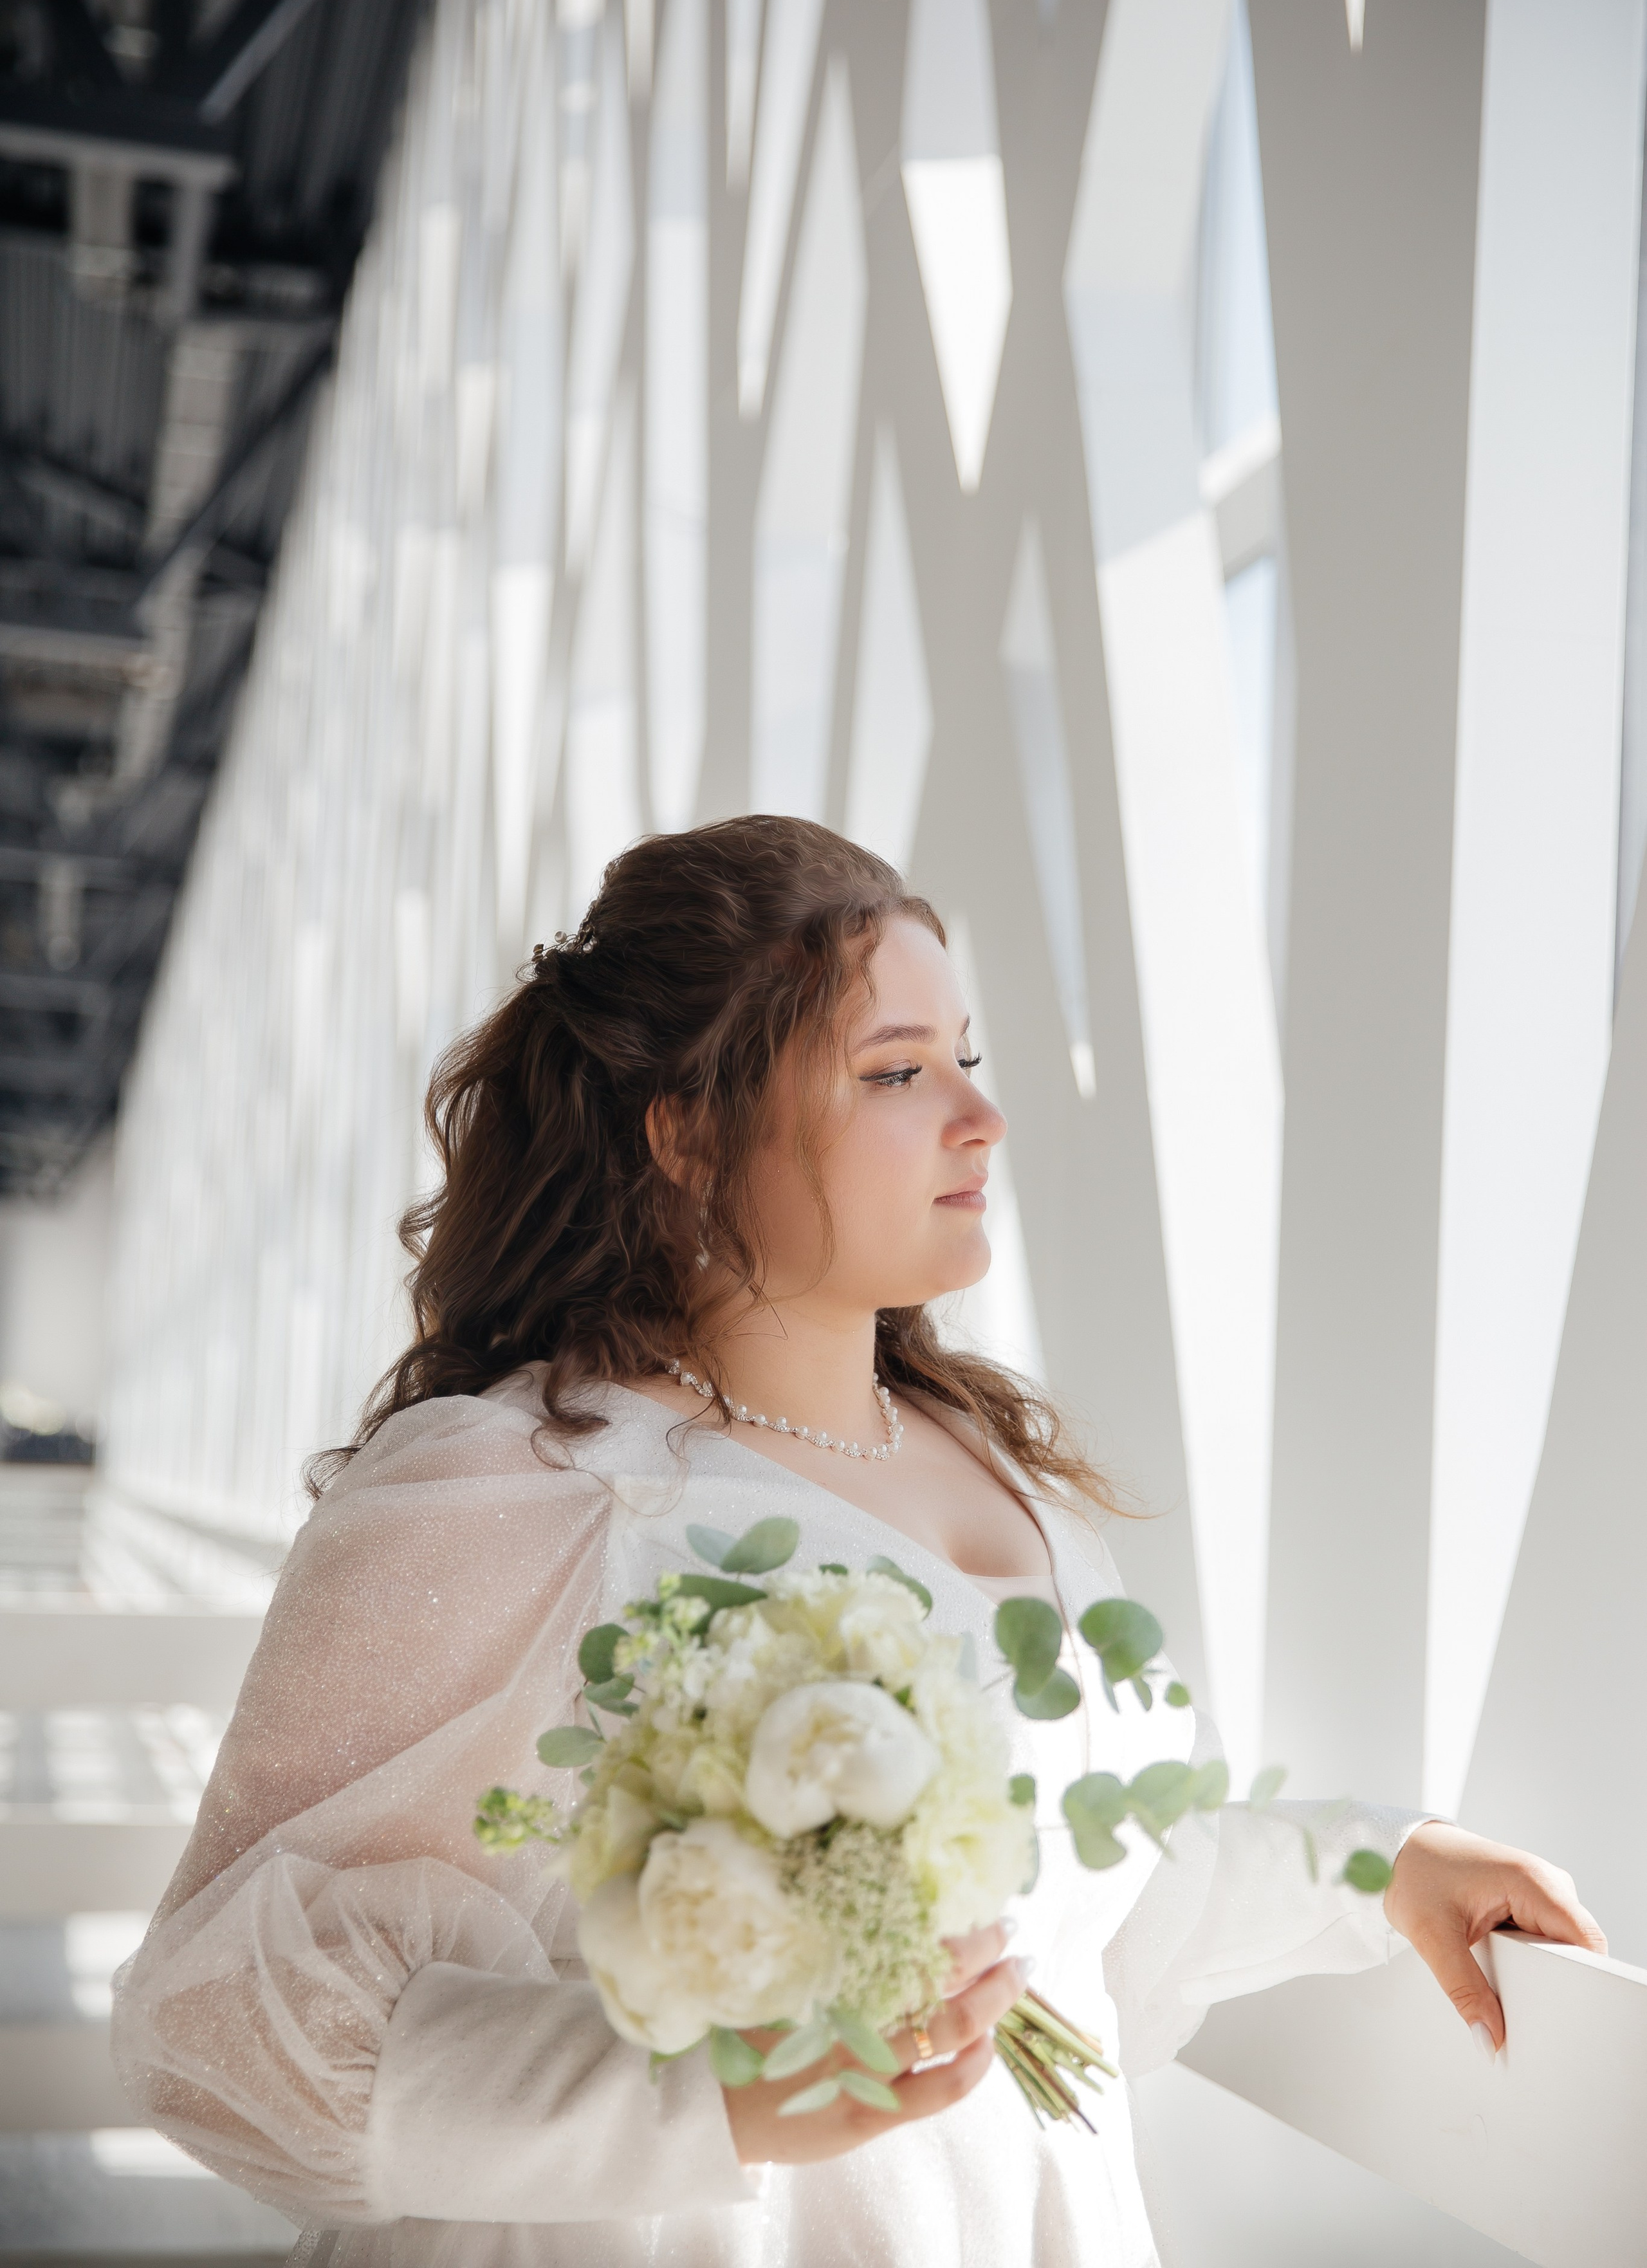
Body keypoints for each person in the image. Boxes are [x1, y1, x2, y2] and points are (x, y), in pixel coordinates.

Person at [112, 817, 1602, 2265]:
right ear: (689, 1137)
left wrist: (1372, 1866)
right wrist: (690, 2094)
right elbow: (212, 2019)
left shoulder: (1009, 1474)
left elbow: (1087, 1910)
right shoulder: (530, 1486)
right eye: (896, 1072)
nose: (978, 1117)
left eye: (967, 1059)